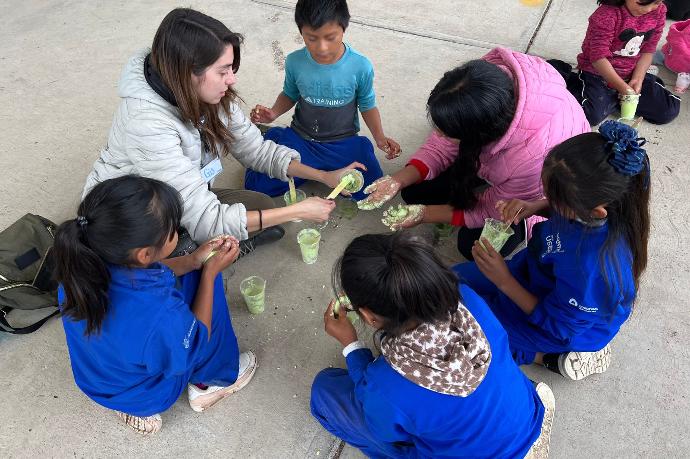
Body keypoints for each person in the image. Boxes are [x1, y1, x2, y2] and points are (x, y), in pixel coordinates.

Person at [83, 8, 352, 258]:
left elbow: (256, 150)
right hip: (135, 219)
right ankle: (192, 257)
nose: (232, 79)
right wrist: (295, 211)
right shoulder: (146, 124)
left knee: (264, 206)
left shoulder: (208, 93)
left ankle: (212, 247)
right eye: (223, 71)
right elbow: (207, 221)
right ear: (186, 73)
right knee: (174, 252)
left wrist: (324, 176)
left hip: (181, 197)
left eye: (231, 68)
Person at [311, 232, 555, 458]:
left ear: (368, 316)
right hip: (524, 417)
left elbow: (385, 431)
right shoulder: (466, 297)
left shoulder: (385, 385)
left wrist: (350, 345)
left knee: (325, 390)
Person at [55, 176, 257, 435]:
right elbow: (196, 343)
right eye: (173, 231)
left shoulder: (80, 267)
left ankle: (130, 405)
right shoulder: (159, 315)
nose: (177, 232)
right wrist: (208, 272)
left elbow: (152, 275)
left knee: (189, 277)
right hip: (149, 394)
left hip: (99, 381)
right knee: (208, 286)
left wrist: (193, 260)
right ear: (144, 254)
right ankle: (210, 384)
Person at [454, 120, 649, 381]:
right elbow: (563, 212)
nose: (548, 200)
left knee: (466, 332)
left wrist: (503, 281)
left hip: (556, 323)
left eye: (554, 199)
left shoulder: (593, 270)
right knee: (451, 281)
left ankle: (547, 357)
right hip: (535, 275)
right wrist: (536, 207)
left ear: (594, 212)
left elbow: (559, 326)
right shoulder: (590, 210)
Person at [357, 48, 590, 260]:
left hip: (530, 191)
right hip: (499, 150)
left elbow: (492, 209)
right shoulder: (480, 87)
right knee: (413, 190)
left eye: (447, 131)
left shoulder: (535, 158)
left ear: (478, 136)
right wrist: (397, 180)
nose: (437, 133)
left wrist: (425, 214)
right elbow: (441, 145)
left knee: (473, 246)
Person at [246, 0, 400, 200]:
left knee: (370, 189)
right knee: (258, 186)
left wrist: (379, 136)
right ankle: (279, 138)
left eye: (330, 37)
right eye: (311, 38)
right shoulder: (295, 61)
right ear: (301, 32)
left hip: (342, 142)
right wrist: (273, 112)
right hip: (301, 139)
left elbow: (367, 104)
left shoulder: (360, 66)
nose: (322, 48)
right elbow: (290, 93)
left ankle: (308, 165)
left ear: (344, 29)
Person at [548, 0, 680, 125]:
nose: (650, 8)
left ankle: (610, 99)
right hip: (598, 73)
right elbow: (598, 58)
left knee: (668, 110)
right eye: (644, 2)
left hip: (631, 72)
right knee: (590, 116)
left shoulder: (658, 11)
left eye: (657, 2)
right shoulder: (607, 15)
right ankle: (567, 76)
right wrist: (623, 88)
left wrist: (638, 79)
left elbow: (648, 50)